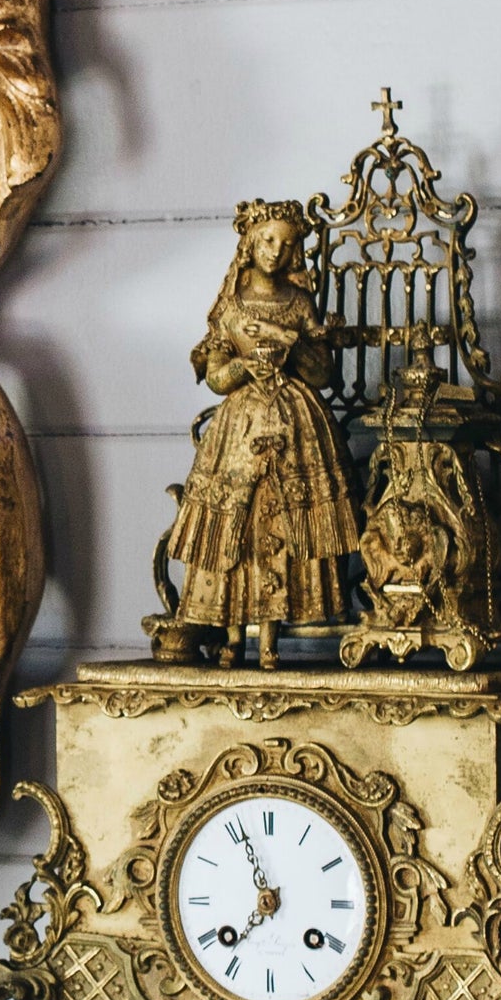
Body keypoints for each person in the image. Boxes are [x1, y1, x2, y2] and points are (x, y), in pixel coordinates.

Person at [167, 198, 359, 666]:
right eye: (268, 240)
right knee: (236, 517)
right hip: (241, 425)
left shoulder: (297, 303)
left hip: (295, 421)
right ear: (250, 243)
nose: (275, 251)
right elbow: (215, 377)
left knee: (291, 514)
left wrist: (300, 345)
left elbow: (322, 376)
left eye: (286, 244)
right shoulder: (230, 305)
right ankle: (232, 636)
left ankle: (275, 634)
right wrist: (244, 366)